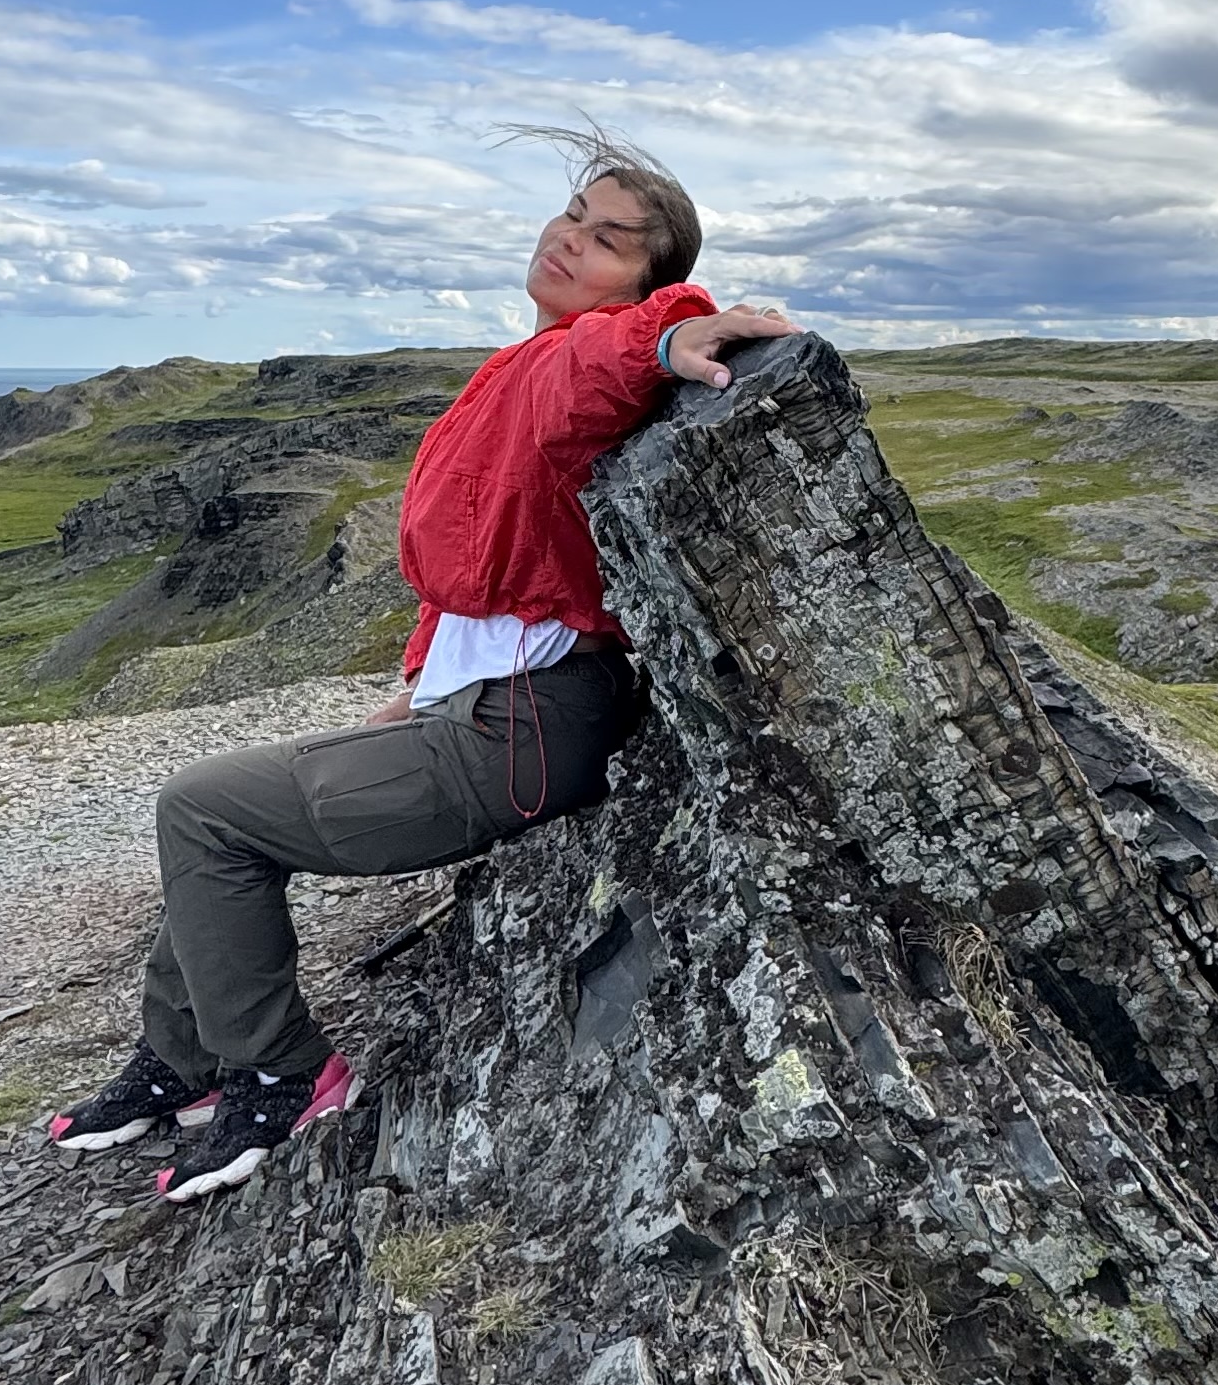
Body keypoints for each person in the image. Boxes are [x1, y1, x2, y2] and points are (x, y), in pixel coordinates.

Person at [47, 137, 796, 1201]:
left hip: (521, 732)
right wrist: (414, 672)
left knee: (204, 811)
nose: (568, 238)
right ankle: (187, 1061)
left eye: (607, 238)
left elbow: (618, 359)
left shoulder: (582, 355)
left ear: (647, 278)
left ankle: (284, 1074)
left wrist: (675, 337)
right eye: (572, 214)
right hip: (476, 707)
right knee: (221, 817)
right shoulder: (523, 358)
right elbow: (470, 557)